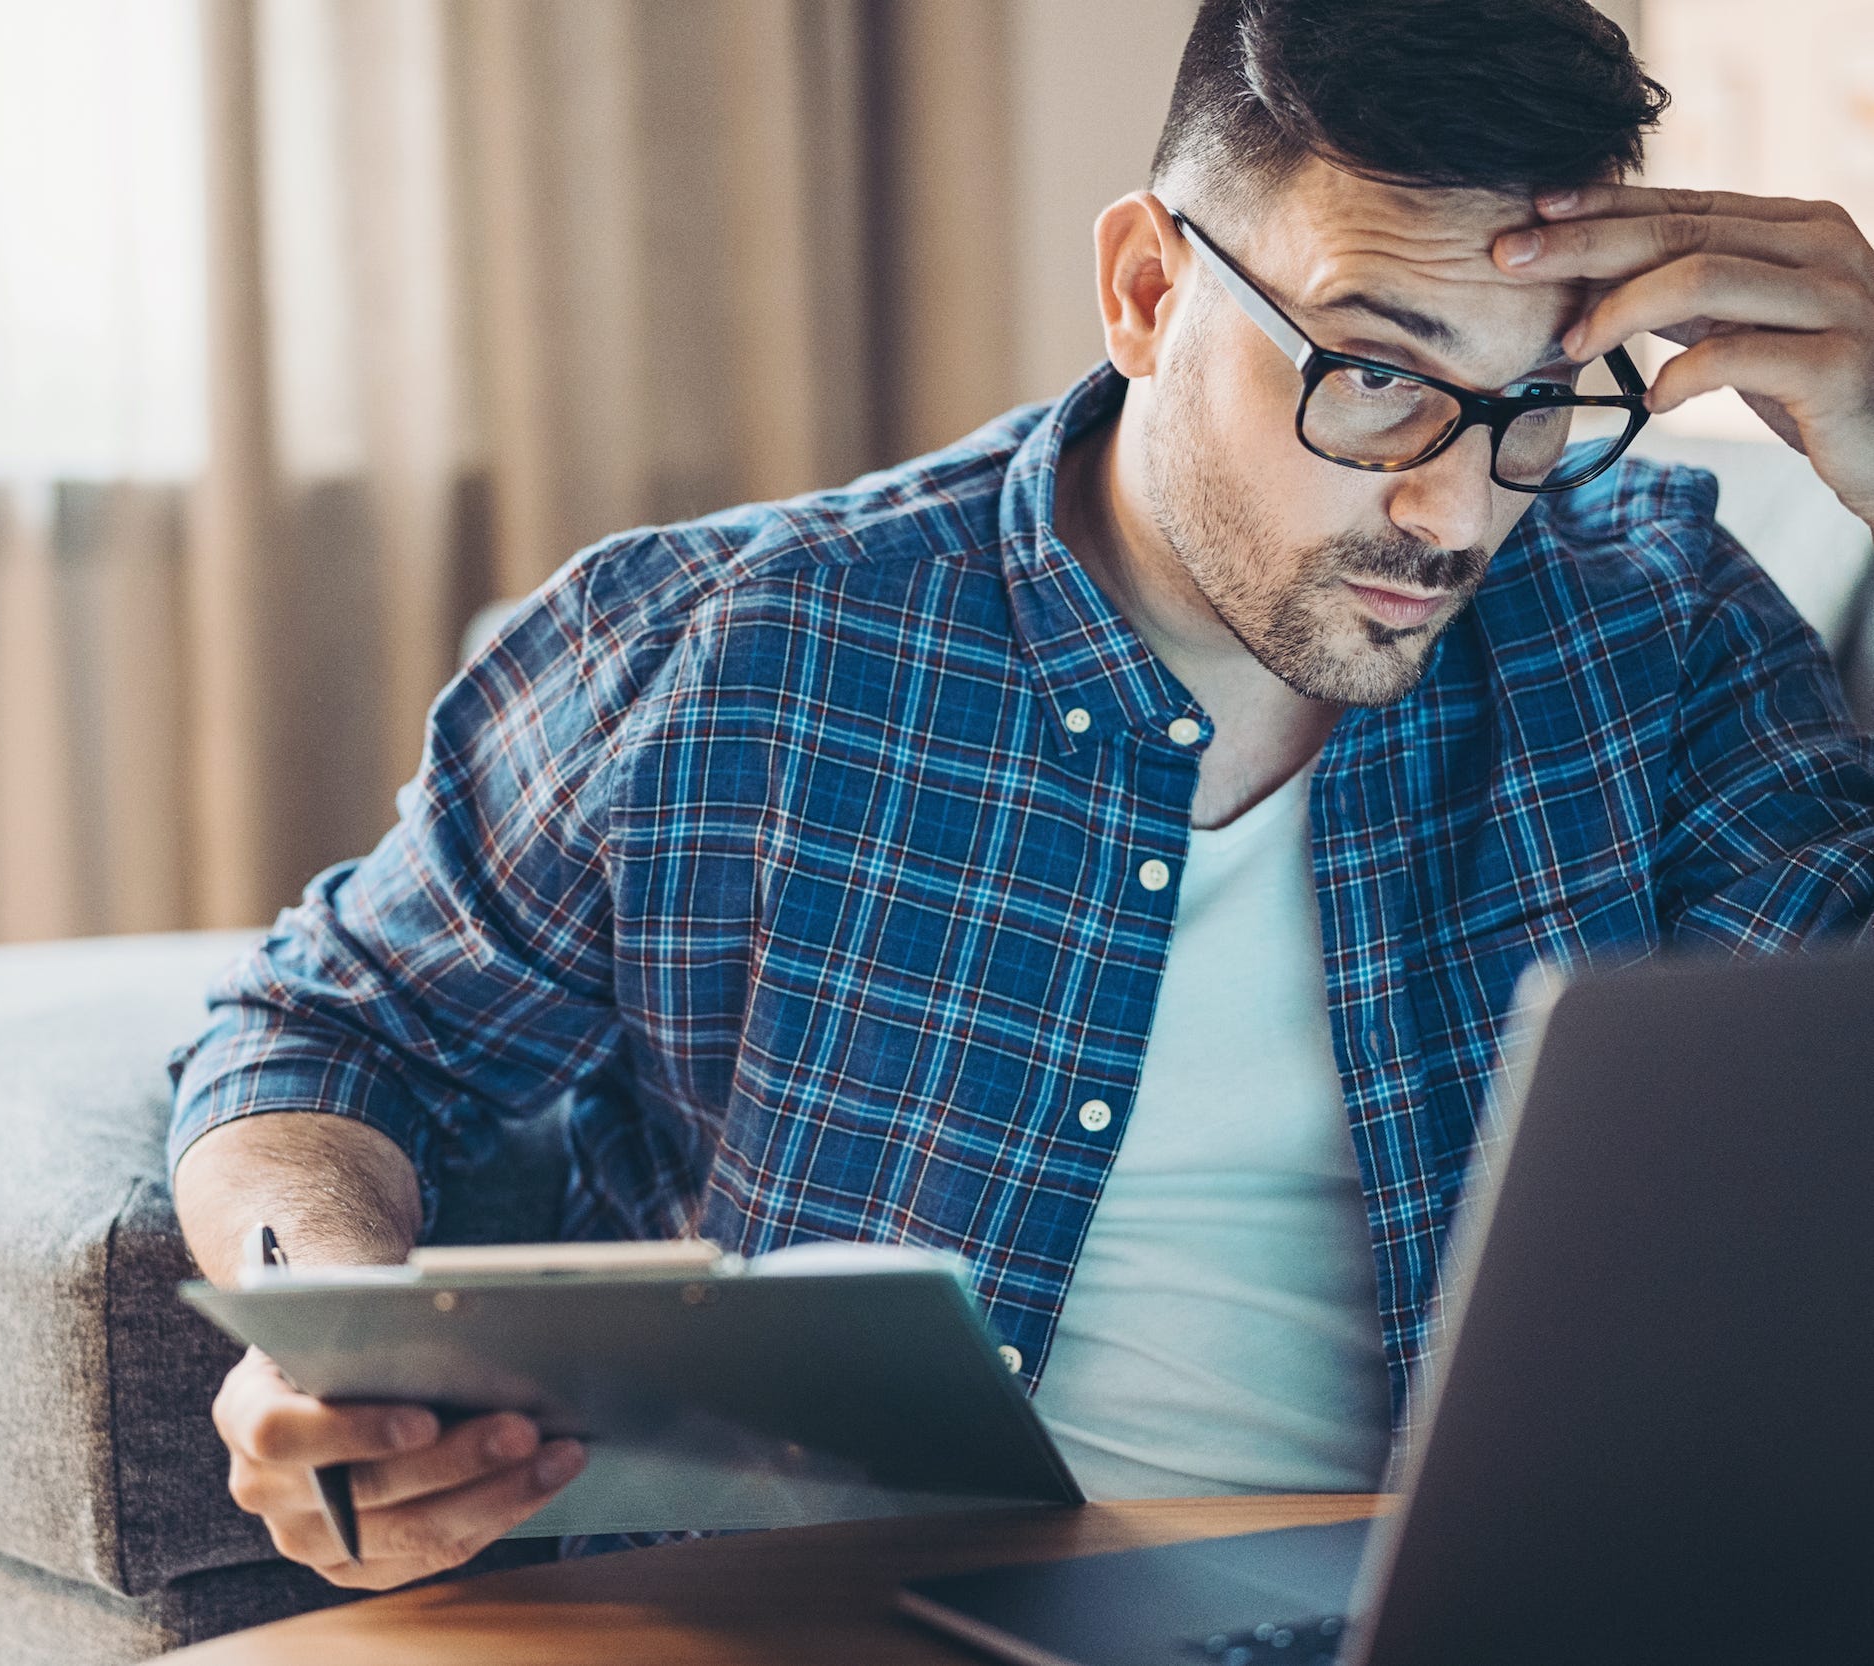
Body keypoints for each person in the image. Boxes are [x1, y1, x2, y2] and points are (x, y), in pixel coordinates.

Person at [168, 0, 1874, 1593]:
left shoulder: (1655, 639)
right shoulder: (728, 644)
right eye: (1375, 374)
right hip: (838, 1620)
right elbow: (333, 1031)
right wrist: (321, 1325)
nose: (1448, 513)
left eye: (1532, 404)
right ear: (1143, 288)